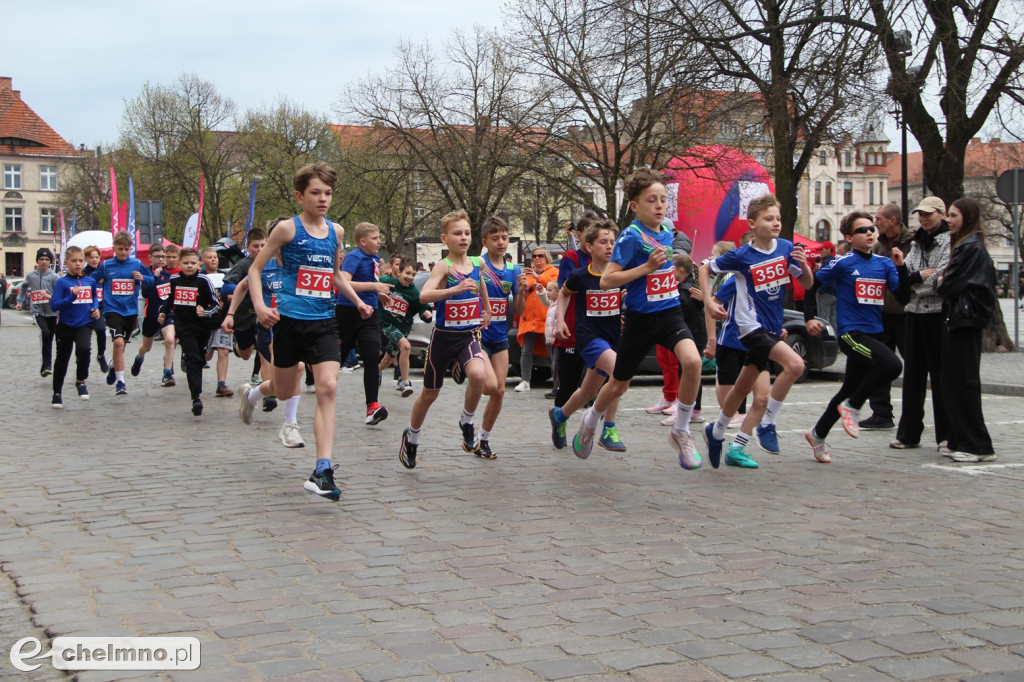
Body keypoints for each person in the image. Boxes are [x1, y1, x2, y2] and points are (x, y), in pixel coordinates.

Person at [248, 163, 371, 501]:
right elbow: (256, 271)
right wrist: (260, 307)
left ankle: (322, 469)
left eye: (328, 193)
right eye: (316, 193)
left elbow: (334, 274)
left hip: (324, 323)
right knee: (284, 390)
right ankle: (255, 394)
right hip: (288, 322)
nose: (323, 199)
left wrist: (358, 301)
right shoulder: (287, 230)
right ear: (301, 196)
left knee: (327, 387)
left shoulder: (337, 231)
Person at [571, 168, 704, 469]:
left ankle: (680, 429)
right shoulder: (630, 237)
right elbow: (607, 280)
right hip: (641, 319)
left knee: (693, 362)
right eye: (651, 200)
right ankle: (591, 420)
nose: (659, 206)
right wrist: (645, 268)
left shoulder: (667, 232)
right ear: (634, 206)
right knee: (618, 385)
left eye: (663, 200)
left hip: (669, 313)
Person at [699, 193, 813, 469]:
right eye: (769, 218)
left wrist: (806, 266)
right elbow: (704, 269)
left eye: (778, 218)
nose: (776, 223)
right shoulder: (741, 255)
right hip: (749, 329)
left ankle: (717, 435)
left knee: (742, 389)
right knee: (796, 365)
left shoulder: (786, 247)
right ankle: (768, 424)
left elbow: (807, 284)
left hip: (773, 329)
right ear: (752, 223)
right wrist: (708, 302)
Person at [803, 211, 909, 463]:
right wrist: (810, 318)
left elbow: (904, 298)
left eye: (872, 228)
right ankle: (854, 405)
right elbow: (812, 286)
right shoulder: (842, 263)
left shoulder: (884, 264)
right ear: (850, 238)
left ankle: (817, 433)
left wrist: (901, 267)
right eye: (863, 230)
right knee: (892, 365)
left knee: (848, 388)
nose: (870, 232)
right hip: (851, 334)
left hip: (875, 334)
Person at [399, 209, 496, 469]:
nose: (463, 238)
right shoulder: (444, 266)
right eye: (457, 233)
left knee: (478, 375)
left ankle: (467, 421)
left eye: (467, 233)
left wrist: (486, 309)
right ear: (445, 238)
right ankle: (412, 437)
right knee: (430, 394)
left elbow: (481, 284)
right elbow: (424, 296)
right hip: (443, 337)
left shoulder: (479, 263)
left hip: (468, 333)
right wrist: (454, 289)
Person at [549, 219, 627, 452]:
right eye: (603, 242)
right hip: (589, 337)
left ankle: (560, 416)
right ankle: (609, 428)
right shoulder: (581, 275)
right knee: (619, 373)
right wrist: (561, 320)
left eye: (612, 241)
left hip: (613, 337)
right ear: (589, 246)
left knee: (588, 391)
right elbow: (563, 294)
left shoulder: (620, 274)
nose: (609, 246)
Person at [936, 197, 997, 462]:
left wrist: (940, 281)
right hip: (960, 319)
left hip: (965, 320)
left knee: (963, 383)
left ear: (967, 218)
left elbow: (949, 285)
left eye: (953, 215)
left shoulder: (970, 247)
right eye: (948, 215)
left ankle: (977, 445)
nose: (948, 220)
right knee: (953, 382)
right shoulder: (966, 245)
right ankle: (960, 439)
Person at [891, 196, 951, 451]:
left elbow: (940, 278)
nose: (924, 218)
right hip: (914, 313)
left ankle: (946, 434)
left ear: (942, 214)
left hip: (937, 315)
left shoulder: (949, 241)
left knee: (940, 376)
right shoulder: (917, 242)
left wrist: (914, 280)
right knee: (913, 375)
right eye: (920, 214)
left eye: (929, 214)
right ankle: (909, 432)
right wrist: (914, 278)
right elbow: (904, 274)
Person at [860, 204, 915, 430]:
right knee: (879, 363)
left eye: (879, 218)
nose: (875, 223)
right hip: (881, 313)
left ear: (893, 221)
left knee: (912, 364)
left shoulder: (912, 243)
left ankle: (911, 415)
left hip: (905, 313)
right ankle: (881, 413)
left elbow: (911, 275)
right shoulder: (879, 245)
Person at [477, 216, 527, 459]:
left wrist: (522, 291)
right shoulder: (478, 265)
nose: (501, 242)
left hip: (499, 337)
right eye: (495, 238)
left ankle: (483, 439)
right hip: (478, 334)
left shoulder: (513, 269)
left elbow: (519, 310)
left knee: (499, 391)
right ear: (485, 241)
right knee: (489, 386)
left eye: (504, 238)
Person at [337, 222, 391, 425]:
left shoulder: (375, 258)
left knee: (371, 357)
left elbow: (369, 284)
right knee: (337, 359)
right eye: (375, 238)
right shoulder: (354, 256)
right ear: (362, 241)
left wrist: (378, 294)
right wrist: (374, 285)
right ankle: (319, 386)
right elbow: (344, 282)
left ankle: (372, 407)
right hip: (348, 312)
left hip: (370, 315)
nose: (379, 241)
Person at [158, 248, 221, 416]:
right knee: (193, 358)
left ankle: (192, 365)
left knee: (199, 358)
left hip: (202, 326)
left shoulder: (203, 281)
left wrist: (205, 312)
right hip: (183, 325)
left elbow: (216, 304)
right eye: (186, 263)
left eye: (193, 263)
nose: (189, 266)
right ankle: (196, 397)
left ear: (199, 264)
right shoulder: (174, 280)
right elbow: (170, 299)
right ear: (179, 264)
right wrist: (163, 312)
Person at [92, 231, 153, 395]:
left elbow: (152, 280)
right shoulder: (106, 266)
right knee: (118, 343)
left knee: (121, 346)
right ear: (114, 248)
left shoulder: (137, 264)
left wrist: (143, 278)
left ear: (131, 249)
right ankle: (121, 382)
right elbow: (91, 280)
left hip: (131, 311)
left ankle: (113, 367)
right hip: (112, 310)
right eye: (120, 249)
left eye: (126, 249)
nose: (123, 252)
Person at [48, 246, 100, 407]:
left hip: (84, 323)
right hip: (65, 325)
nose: (78, 264)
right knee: (62, 360)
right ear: (66, 263)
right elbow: (55, 305)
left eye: (80, 260)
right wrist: (72, 296)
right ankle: (57, 393)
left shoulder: (89, 281)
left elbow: (94, 298)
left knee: (84, 350)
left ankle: (81, 380)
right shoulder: (62, 283)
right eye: (74, 261)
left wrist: (95, 308)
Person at [378, 256, 433, 396]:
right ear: (399, 272)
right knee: (406, 346)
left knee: (388, 358)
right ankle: (404, 382)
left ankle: (376, 372)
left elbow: (422, 308)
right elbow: (372, 284)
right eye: (407, 273)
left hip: (403, 328)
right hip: (387, 324)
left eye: (413, 274)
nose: (410, 277)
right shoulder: (388, 282)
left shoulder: (414, 293)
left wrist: (426, 314)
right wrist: (377, 291)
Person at [552, 217, 594, 406]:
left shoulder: (605, 259)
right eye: (589, 233)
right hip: (573, 326)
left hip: (597, 327)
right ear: (579, 235)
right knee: (569, 381)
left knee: (602, 378)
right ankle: (559, 416)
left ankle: (596, 419)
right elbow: (566, 287)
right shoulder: (572, 257)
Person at [221, 229, 268, 374]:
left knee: (264, 346)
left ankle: (260, 378)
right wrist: (250, 290)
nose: (259, 250)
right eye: (255, 246)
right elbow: (227, 286)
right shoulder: (243, 265)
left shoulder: (270, 264)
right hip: (243, 315)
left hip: (260, 313)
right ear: (247, 247)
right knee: (246, 354)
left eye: (262, 245)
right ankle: (237, 348)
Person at [132, 244, 178, 385]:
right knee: (147, 347)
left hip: (166, 313)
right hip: (151, 314)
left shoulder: (168, 275)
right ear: (150, 257)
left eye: (163, 256)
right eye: (157, 257)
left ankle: (167, 373)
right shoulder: (145, 273)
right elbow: (145, 293)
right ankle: (139, 357)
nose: (161, 259)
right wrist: (154, 277)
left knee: (170, 340)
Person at [515, 247, 557, 392]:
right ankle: (525, 381)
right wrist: (522, 286)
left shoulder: (553, 271)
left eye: (540, 256)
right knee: (526, 350)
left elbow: (554, 286)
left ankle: (558, 381)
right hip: (528, 318)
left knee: (552, 351)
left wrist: (538, 277)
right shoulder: (526, 273)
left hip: (547, 319)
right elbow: (520, 291)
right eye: (534, 256)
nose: (537, 258)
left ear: (546, 258)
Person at [16, 248, 59, 377]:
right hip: (37, 311)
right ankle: (46, 364)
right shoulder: (31, 276)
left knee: (50, 337)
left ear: (50, 262)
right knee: (44, 332)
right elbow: (23, 288)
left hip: (52, 312)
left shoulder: (54, 277)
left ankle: (46, 365)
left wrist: (49, 296)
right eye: (41, 259)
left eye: (46, 259)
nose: (44, 262)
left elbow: (59, 294)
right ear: (37, 261)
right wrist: (19, 301)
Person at [198, 246, 234, 398]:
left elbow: (234, 289)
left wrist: (233, 296)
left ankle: (221, 384)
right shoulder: (199, 277)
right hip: (205, 320)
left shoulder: (226, 276)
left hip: (222, 319)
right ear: (202, 261)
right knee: (206, 356)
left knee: (223, 350)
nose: (213, 259)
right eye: (209, 257)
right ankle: (192, 364)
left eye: (215, 257)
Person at [81, 246, 110, 374]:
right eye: (91, 257)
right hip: (84, 308)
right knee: (83, 339)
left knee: (100, 329)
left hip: (100, 307)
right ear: (86, 259)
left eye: (96, 257)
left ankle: (100, 355)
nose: (94, 260)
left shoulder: (103, 271)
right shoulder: (82, 273)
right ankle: (81, 360)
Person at [815, 241, 837, 332]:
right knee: (833, 319)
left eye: (822, 249)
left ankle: (825, 339)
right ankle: (835, 339)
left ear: (828, 250)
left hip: (826, 293)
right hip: (835, 293)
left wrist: (820, 290)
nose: (820, 252)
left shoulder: (827, 262)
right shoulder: (834, 261)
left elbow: (826, 279)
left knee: (823, 319)